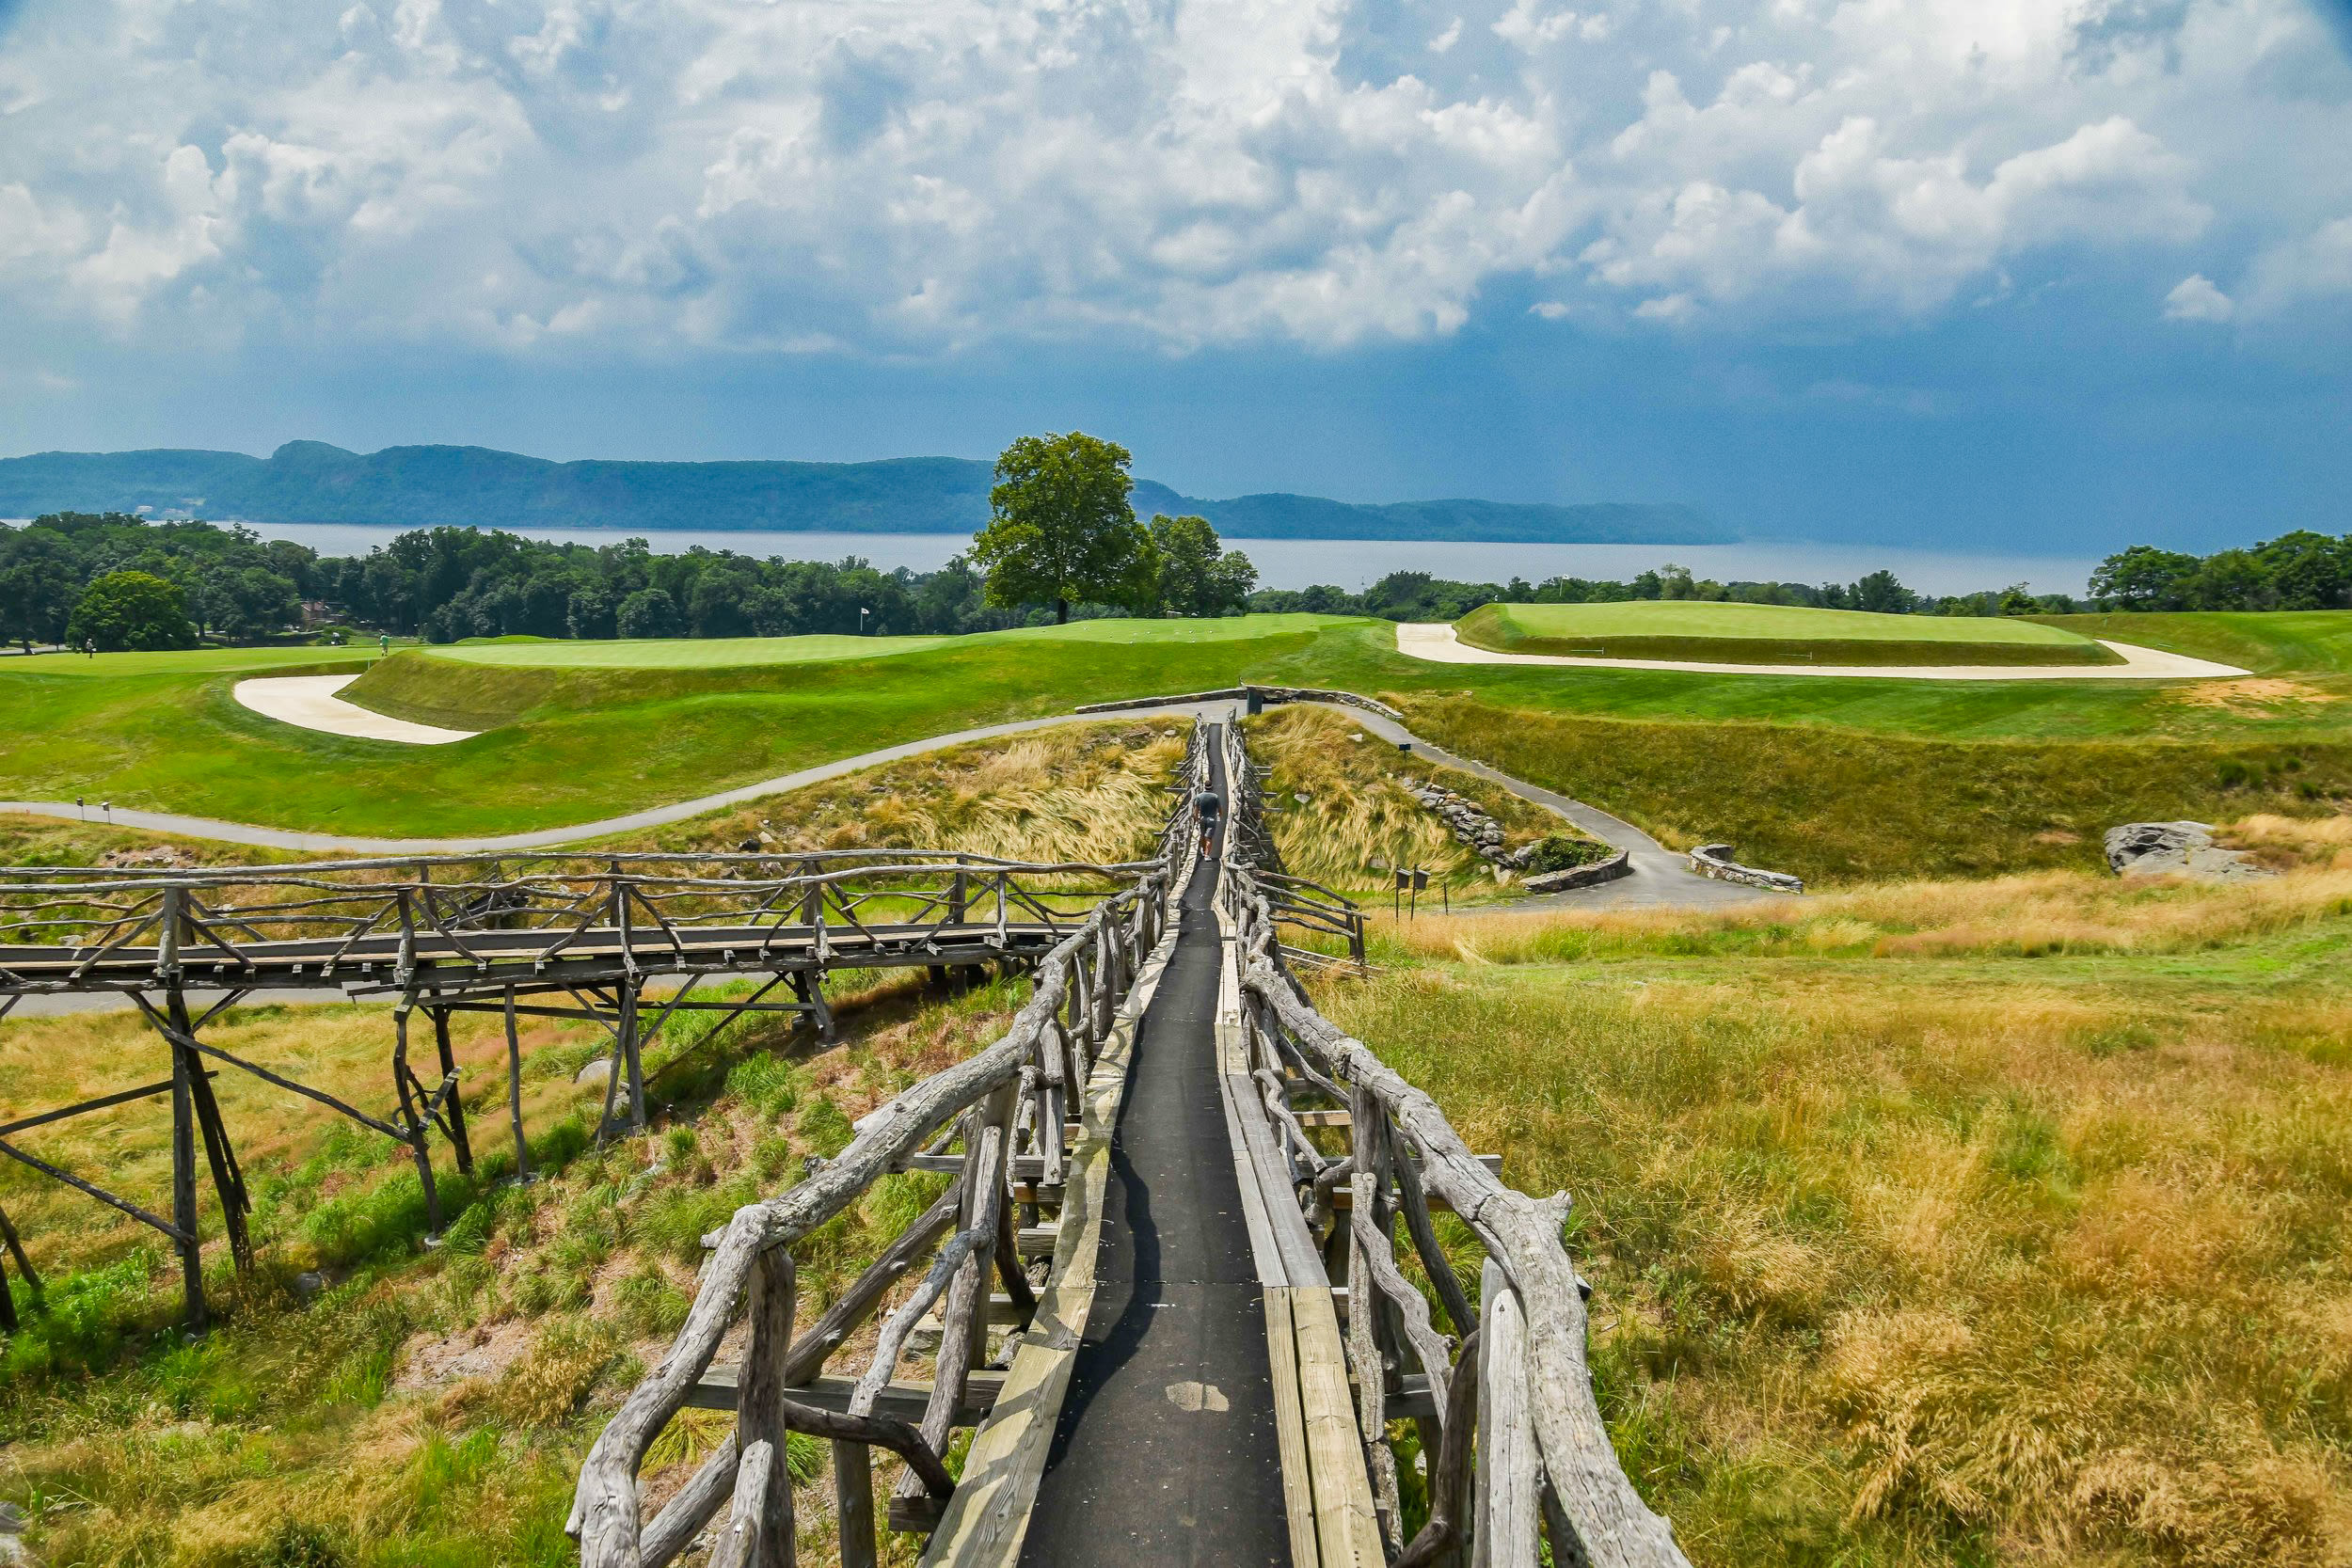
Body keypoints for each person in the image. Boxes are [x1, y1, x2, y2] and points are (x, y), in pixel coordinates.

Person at [1193, 785, 1223, 858]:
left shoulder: (1199, 796)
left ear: (1204, 787)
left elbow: (1196, 810)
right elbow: (1219, 809)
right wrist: (1220, 816)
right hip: (1212, 820)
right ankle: (1207, 855)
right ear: (1212, 787)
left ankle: (1203, 850)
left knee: (1202, 835)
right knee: (1208, 838)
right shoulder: (1215, 796)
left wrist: (1197, 819)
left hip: (1202, 819)